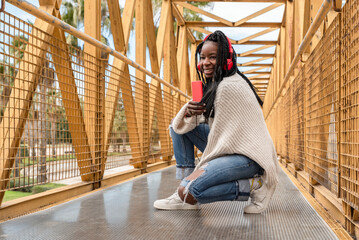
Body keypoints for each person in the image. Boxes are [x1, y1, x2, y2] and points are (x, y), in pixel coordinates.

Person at [153, 30, 279, 213]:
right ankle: (185, 185)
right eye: (202, 57)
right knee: (177, 127)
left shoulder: (228, 87)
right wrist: (188, 111)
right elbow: (181, 125)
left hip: (249, 157)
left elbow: (221, 140)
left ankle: (253, 185)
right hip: (232, 147)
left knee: (188, 191)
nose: (205, 63)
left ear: (226, 59)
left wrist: (202, 168)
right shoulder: (217, 84)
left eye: (212, 57)